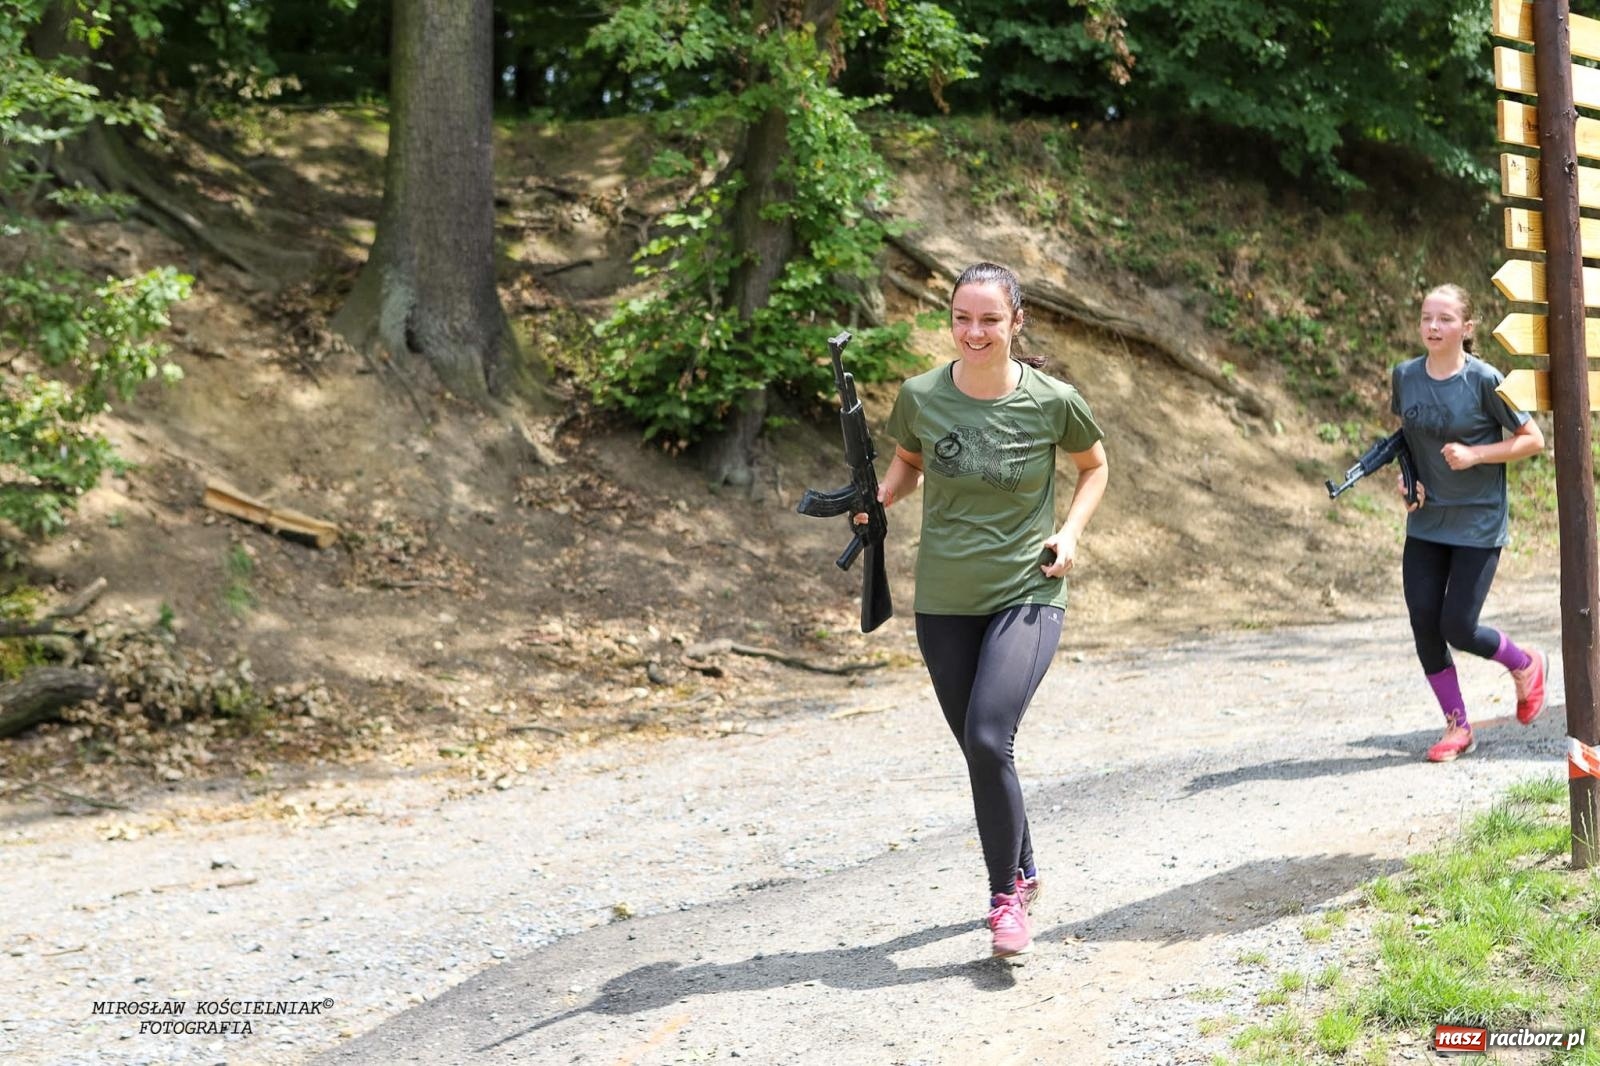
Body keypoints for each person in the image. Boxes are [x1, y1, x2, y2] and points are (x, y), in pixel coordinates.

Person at [862, 261, 1108, 958]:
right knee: (979, 744)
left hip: (1027, 590)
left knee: (987, 734)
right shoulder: (920, 396)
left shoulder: (1052, 399)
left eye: (990, 320)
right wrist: (880, 498)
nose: (975, 332)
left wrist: (1070, 532)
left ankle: (1004, 900)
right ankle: (1025, 869)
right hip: (943, 599)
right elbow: (909, 461)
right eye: (963, 318)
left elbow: (1095, 466)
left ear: (1016, 322)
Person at [1392, 283, 1547, 763]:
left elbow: (1532, 439)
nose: (1433, 327)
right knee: (1424, 622)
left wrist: (1477, 453)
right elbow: (1407, 440)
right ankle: (1458, 726)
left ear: (1467, 327)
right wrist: (1409, 481)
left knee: (1458, 625)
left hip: (1478, 521)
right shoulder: (1405, 376)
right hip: (1427, 520)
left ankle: (1525, 664)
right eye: (1426, 318)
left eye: (1444, 319)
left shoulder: (1484, 380)